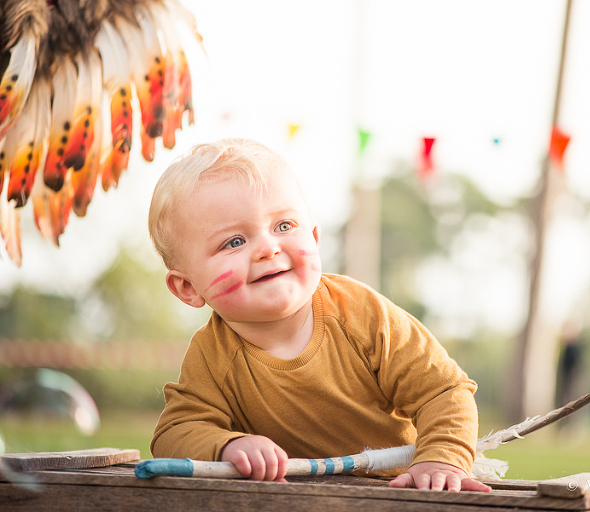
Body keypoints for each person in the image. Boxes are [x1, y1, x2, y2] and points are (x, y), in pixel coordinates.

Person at [147, 138, 491, 493]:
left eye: (283, 226)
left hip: (400, 491)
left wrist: (441, 458)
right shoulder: (213, 355)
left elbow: (444, 390)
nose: (268, 248)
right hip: (298, 500)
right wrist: (226, 445)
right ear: (188, 288)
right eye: (234, 242)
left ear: (313, 236)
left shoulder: (360, 313)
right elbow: (174, 433)